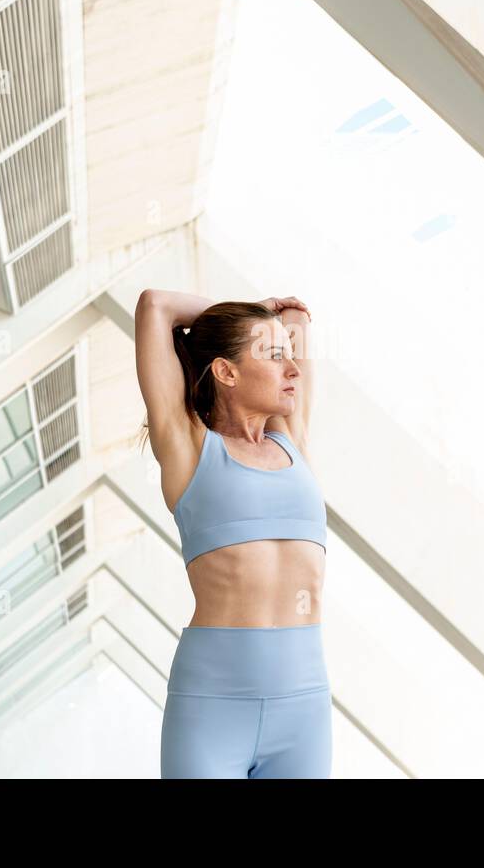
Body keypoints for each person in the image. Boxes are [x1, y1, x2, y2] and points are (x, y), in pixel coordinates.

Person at [134, 289, 331, 778]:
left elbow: (295, 317)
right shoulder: (187, 448)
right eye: (272, 355)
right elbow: (155, 305)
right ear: (225, 371)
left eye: (289, 355)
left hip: (303, 706)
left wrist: (265, 325)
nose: (293, 369)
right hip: (213, 704)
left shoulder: (294, 439)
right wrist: (241, 316)